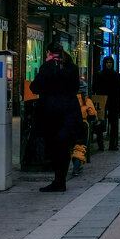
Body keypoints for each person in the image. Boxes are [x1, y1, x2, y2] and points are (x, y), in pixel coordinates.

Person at [30, 44, 80, 192]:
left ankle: (58, 182)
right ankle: (61, 180)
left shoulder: (48, 67)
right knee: (64, 147)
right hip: (69, 111)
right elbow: (76, 88)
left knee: (54, 146)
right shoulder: (72, 67)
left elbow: (35, 87)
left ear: (49, 52)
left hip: (51, 113)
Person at [92, 56, 120, 151]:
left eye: (110, 62)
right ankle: (102, 144)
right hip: (105, 101)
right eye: (107, 62)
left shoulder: (113, 75)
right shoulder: (108, 75)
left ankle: (111, 144)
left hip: (111, 102)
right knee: (102, 123)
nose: (109, 64)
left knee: (111, 124)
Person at [71, 80, 98, 177]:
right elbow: (92, 114)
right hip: (83, 124)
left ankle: (76, 165)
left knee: (73, 145)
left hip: (71, 124)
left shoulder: (71, 99)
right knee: (80, 146)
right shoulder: (87, 100)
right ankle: (76, 168)